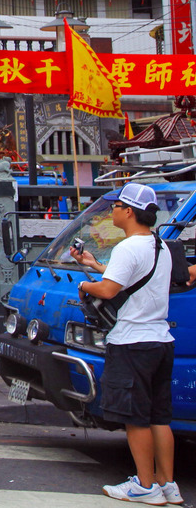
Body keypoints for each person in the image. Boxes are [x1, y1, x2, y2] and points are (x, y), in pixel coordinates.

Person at [73, 183, 180, 505]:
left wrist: (85, 283)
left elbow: (107, 291)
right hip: (160, 340)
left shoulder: (128, 247)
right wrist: (95, 265)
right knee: (159, 417)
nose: (113, 211)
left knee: (135, 418)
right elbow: (128, 277)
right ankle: (167, 483)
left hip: (132, 342)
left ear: (129, 211)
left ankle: (144, 486)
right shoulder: (158, 245)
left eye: (117, 206)